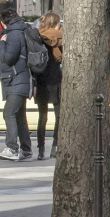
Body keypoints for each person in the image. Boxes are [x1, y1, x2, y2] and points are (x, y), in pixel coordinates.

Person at [0, 9, 33, 161]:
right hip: (23, 78)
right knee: (19, 115)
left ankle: (12, 148)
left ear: (4, 22)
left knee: (9, 113)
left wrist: (1, 44)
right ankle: (26, 149)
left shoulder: (13, 34)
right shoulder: (24, 30)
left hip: (16, 79)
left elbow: (8, 58)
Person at [35, 11, 62, 160]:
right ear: (55, 23)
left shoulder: (38, 37)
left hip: (41, 79)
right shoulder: (60, 38)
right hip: (55, 79)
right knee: (59, 115)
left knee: (42, 116)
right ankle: (55, 146)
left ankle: (40, 149)